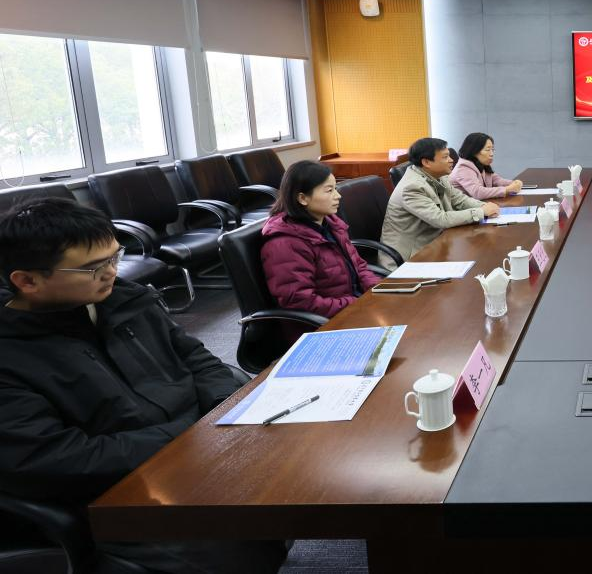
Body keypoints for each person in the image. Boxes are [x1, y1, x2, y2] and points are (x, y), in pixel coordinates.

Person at [0, 198, 287, 573]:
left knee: (292, 478)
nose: (111, 273)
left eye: (114, 257)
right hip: (120, 492)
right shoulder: (12, 356)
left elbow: (197, 358)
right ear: (27, 281)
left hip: (197, 452)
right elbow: (57, 459)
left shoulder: (125, 300)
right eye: (92, 268)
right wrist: (193, 436)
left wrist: (222, 409)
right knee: (233, 547)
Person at [260, 160, 381, 318]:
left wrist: (377, 290)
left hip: (352, 307)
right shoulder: (285, 244)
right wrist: (357, 304)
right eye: (329, 190)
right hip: (327, 321)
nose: (338, 195)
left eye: (335, 188)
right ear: (303, 198)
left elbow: (359, 266)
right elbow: (299, 301)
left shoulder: (331, 224)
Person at [381, 136, 500, 266]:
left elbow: (459, 200)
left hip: (435, 243)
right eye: (445, 157)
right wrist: (481, 212)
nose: (451, 160)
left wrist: (485, 206)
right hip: (410, 258)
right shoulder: (411, 187)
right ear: (426, 162)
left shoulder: (439, 176)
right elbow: (440, 219)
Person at [451, 132, 523, 199]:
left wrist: (514, 183)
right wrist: (507, 190)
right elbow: (478, 192)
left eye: (492, 149)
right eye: (488, 150)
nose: (491, 154)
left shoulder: (480, 163)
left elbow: (496, 180)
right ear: (474, 151)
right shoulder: (463, 168)